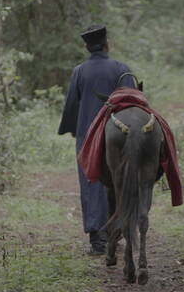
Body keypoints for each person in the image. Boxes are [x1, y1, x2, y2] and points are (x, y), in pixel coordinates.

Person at [58, 25, 135, 255]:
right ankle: (117, 231)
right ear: (106, 44)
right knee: (118, 181)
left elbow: (72, 104)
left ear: (86, 47)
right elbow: (132, 101)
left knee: (92, 181)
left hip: (89, 135)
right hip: (120, 134)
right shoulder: (121, 68)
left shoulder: (79, 71)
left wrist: (73, 129)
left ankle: (97, 241)